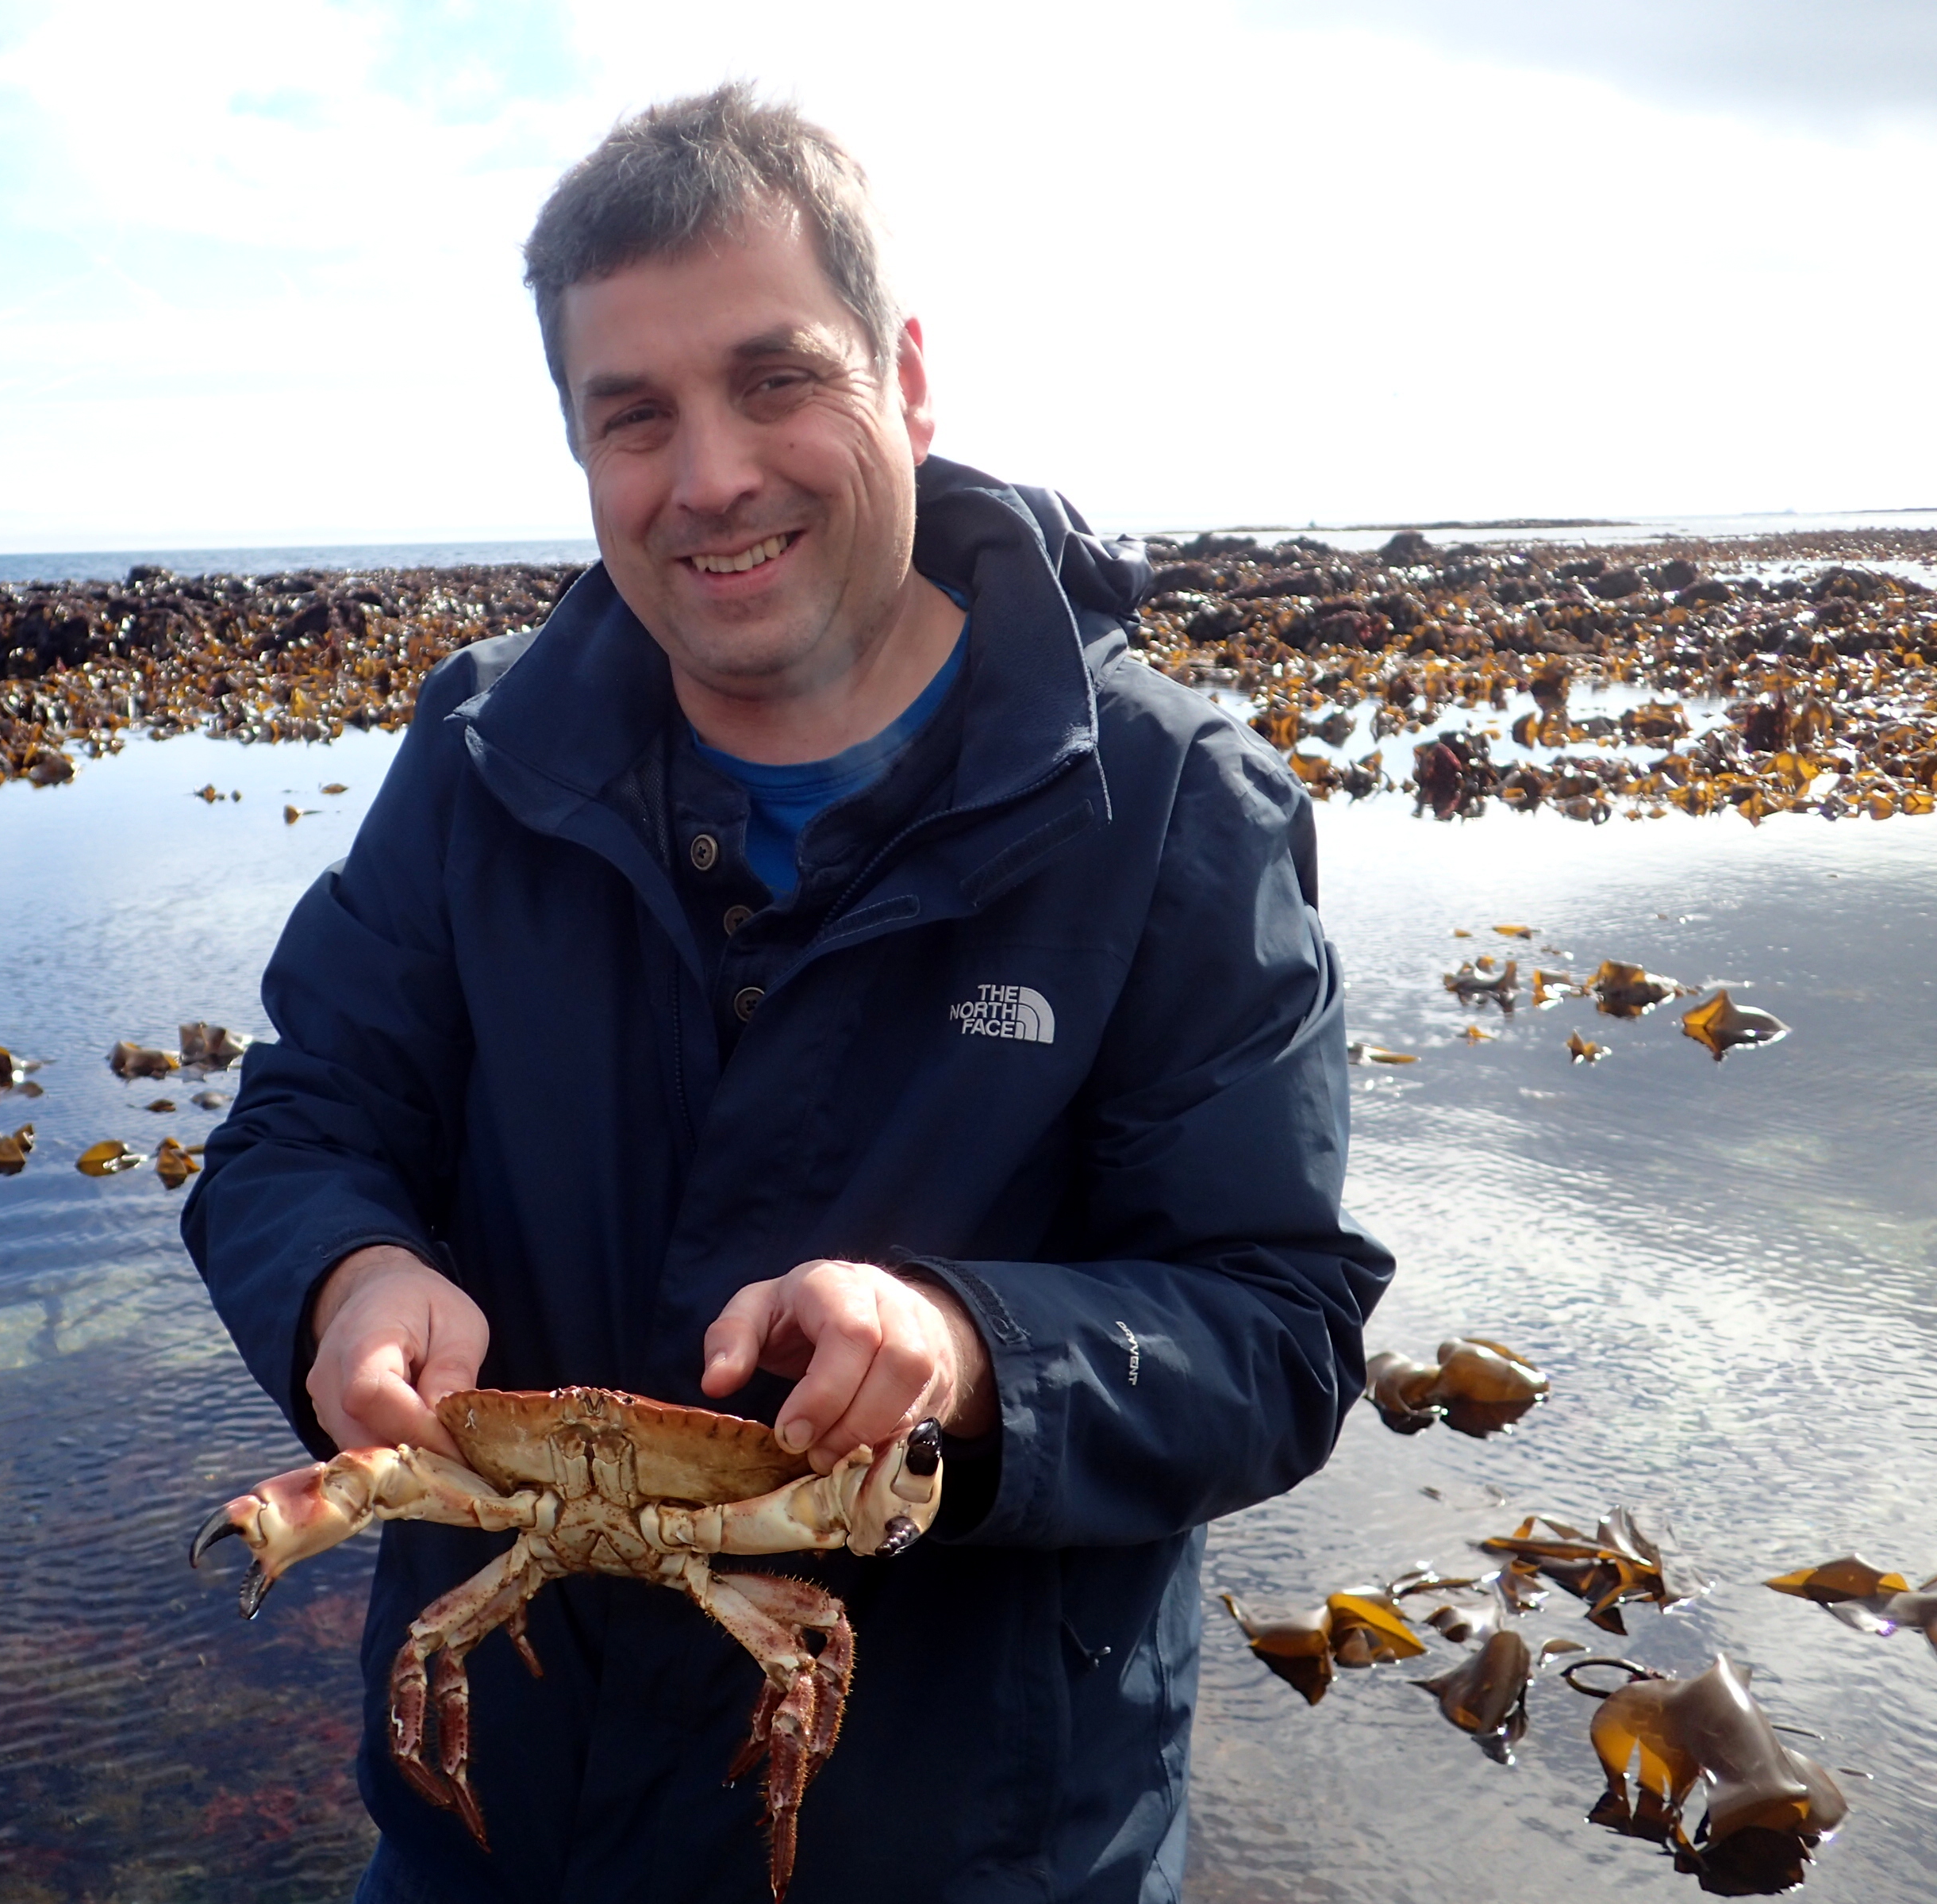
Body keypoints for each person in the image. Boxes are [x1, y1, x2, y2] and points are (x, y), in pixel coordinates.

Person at [185, 83, 1390, 1904]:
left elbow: (1278, 1331)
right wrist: (346, 1272)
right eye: (634, 416)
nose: (710, 478)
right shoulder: (482, 756)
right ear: (579, 448)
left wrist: (973, 1353)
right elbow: (302, 1120)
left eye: (774, 380)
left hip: (966, 1859)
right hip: (489, 1846)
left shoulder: (1164, 811)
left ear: (904, 378)